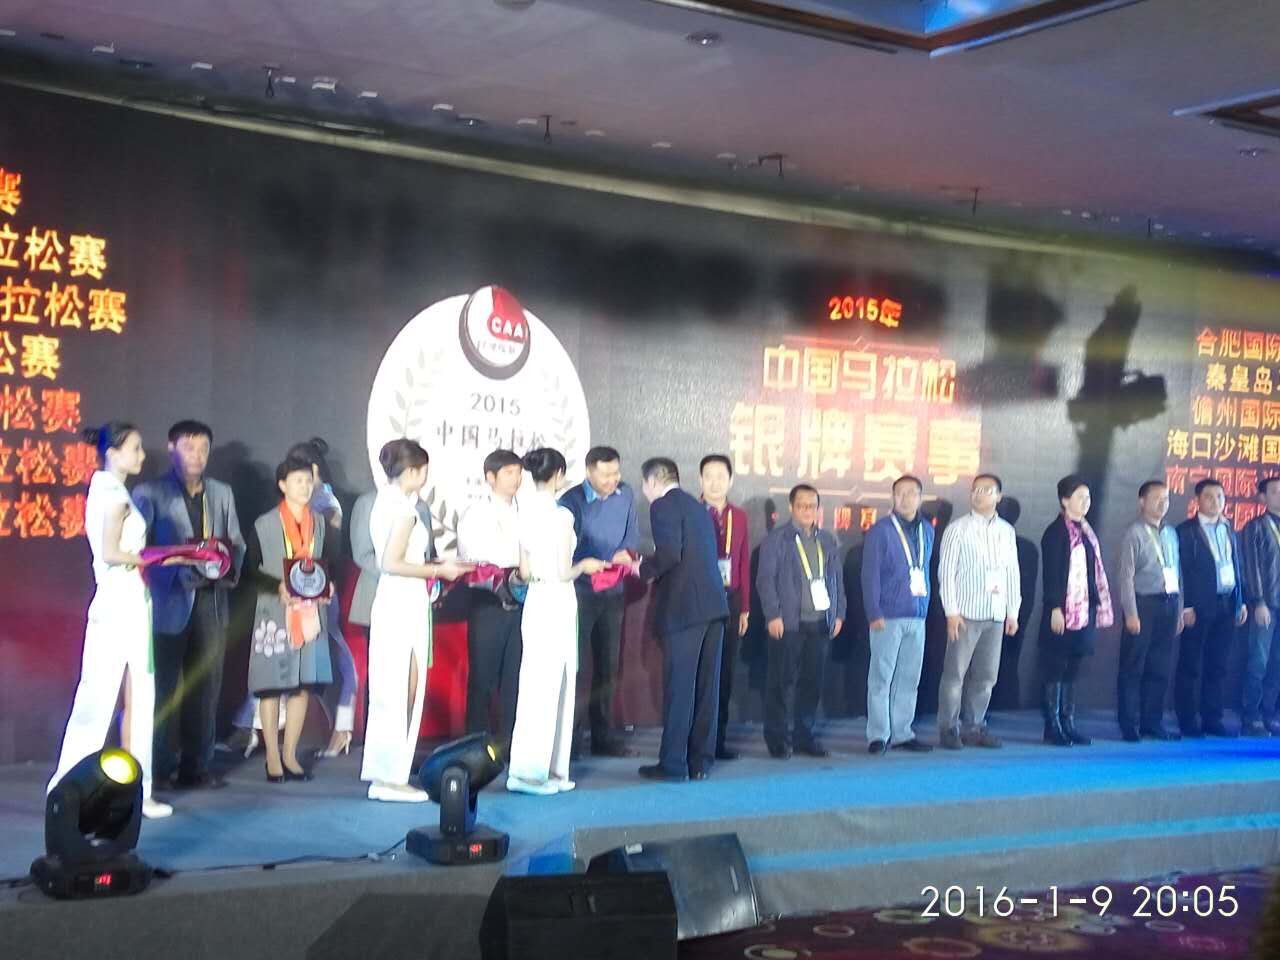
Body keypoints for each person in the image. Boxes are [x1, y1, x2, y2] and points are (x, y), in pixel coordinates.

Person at [48, 423, 174, 820]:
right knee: (103, 696)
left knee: (135, 696)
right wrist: (159, 556)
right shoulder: (112, 494)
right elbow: (110, 552)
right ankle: (69, 790)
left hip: (130, 599)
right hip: (120, 600)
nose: (142, 456)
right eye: (135, 448)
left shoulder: (111, 490)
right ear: (113, 453)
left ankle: (136, 791)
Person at [133, 420, 245, 790]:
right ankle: (159, 768)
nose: (197, 456)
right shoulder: (150, 492)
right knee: (164, 689)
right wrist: (175, 568)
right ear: (172, 449)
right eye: (189, 447)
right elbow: (139, 549)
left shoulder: (221, 493)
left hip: (212, 600)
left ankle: (197, 766)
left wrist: (227, 571)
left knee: (207, 687)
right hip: (169, 601)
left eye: (203, 449)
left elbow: (236, 542)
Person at [360, 439, 469, 801]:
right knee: (400, 689)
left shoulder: (384, 502)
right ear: (411, 471)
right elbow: (391, 562)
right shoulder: (404, 509)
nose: (424, 477)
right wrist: (438, 570)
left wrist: (436, 567)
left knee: (393, 688)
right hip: (402, 599)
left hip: (396, 597)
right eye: (422, 470)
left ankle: (388, 775)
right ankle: (391, 778)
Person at [506, 448, 606, 795]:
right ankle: (539, 771)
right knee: (554, 684)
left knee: (536, 685)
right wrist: (585, 566)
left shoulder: (524, 511)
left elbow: (524, 570)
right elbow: (565, 570)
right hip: (557, 598)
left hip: (535, 598)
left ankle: (534, 769)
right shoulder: (560, 515)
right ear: (559, 474)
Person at [632, 457, 729, 781]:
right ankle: (700, 761)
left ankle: (673, 764)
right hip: (713, 607)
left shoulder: (662, 506)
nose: (645, 491)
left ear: (652, 481)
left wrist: (640, 568)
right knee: (706, 689)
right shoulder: (697, 507)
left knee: (680, 688)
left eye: (645, 485)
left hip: (685, 610)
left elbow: (670, 554)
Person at [246, 454, 334, 781]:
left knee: (302, 685)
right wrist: (277, 586)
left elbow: (327, 563)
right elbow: (248, 571)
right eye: (298, 481)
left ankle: (290, 754)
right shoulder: (265, 524)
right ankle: (272, 755)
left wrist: (329, 584)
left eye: (309, 481)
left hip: (310, 613)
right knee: (271, 686)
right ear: (282, 485)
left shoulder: (319, 523)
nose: (305, 487)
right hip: (275, 611)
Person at [559, 446, 639, 757]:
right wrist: (588, 562)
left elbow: (631, 535)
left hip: (613, 592)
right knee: (577, 668)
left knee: (608, 666)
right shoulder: (571, 501)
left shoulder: (625, 494)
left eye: (615, 473)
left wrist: (626, 552)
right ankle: (570, 739)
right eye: (605, 474)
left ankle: (603, 737)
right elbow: (564, 549)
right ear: (589, 471)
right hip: (580, 592)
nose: (612, 480)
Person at [756, 484, 846, 759]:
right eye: (802, 505)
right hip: (788, 623)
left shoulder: (827, 540)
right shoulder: (777, 540)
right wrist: (773, 615)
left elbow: (837, 580)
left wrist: (839, 613)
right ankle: (777, 739)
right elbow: (765, 581)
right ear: (791, 507)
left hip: (820, 622)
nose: (807, 510)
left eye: (812, 505)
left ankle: (804, 736)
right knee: (781, 683)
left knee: (812, 683)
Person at [936, 474, 1021, 751]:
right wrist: (951, 611)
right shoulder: (958, 529)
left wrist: (1012, 611)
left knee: (986, 677)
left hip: (995, 614)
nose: (979, 494)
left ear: (999, 496)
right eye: (975, 490)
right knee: (955, 675)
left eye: (987, 490)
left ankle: (974, 726)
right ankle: (949, 728)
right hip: (965, 614)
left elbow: (1012, 573)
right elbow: (946, 573)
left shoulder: (1006, 531)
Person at [861, 475, 934, 755]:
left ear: (920, 497)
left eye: (911, 493)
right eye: (900, 493)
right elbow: (869, 575)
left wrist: (925, 607)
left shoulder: (927, 530)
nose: (905, 498)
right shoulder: (880, 531)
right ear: (893, 498)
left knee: (909, 678)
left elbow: (924, 570)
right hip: (887, 616)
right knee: (881, 677)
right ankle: (878, 735)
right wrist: (873, 611)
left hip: (917, 615)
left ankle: (903, 732)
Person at [1038, 475, 1114, 747]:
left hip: (1084, 613)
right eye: (1080, 497)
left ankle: (1068, 722)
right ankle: (1052, 726)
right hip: (1062, 612)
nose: (1086, 502)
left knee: (1073, 669)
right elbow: (1052, 574)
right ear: (1064, 500)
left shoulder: (1086, 531)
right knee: (1056, 669)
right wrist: (1054, 607)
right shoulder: (1055, 532)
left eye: (1088, 497)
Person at [457, 449, 525, 753]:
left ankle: (510, 746)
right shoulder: (476, 513)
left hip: (522, 599)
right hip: (488, 600)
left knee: (514, 678)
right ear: (490, 477)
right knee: (483, 678)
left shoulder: (525, 512)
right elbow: (473, 556)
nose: (516, 479)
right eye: (509, 473)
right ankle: (475, 747)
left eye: (519, 473)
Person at [1176, 477, 1247, 738]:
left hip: (1227, 604)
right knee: (1191, 664)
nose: (1216, 501)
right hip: (1198, 607)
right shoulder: (1186, 531)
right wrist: (1186, 606)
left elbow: (1236, 566)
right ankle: (1187, 720)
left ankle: (1212, 719)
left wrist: (1240, 601)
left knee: (1218, 665)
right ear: (1197, 500)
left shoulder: (1228, 528)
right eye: (1209, 496)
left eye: (1220, 496)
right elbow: (1182, 571)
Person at [1115, 480, 1183, 741]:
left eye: (1166, 499)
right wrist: (1131, 612)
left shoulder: (1171, 533)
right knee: (1133, 667)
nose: (1163, 503)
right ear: (1142, 502)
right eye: (1157, 498)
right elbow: (1125, 577)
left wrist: (1180, 608)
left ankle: (1152, 722)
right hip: (1143, 605)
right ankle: (1129, 724)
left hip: (1169, 604)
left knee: (1160, 667)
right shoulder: (1134, 533)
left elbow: (1178, 572)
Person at [698, 454, 750, 760]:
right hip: (700, 599)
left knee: (725, 672)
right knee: (701, 672)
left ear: (730, 480)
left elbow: (743, 561)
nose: (715, 482)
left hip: (730, 600)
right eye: (709, 476)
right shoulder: (692, 513)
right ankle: (696, 741)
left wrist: (745, 607)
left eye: (721, 476)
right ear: (700, 480)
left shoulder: (739, 517)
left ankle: (718, 741)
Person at [1241, 475, 1280, 737]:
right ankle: (1251, 717)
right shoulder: (1255, 527)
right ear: (1263, 497)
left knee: (1277, 663)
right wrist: (1258, 602)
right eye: (1275, 491)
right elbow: (1250, 567)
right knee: (1259, 661)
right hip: (1267, 605)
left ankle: (1269, 714)